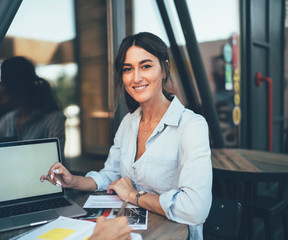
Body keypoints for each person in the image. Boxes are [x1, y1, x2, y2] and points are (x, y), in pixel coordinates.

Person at [0, 35, 131, 240]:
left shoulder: (51, 118)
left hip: (43, 191)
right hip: (8, 195)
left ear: (17, 86)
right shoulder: (9, 119)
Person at [41, 32, 212, 240]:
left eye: (146, 66)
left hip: (172, 235)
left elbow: (194, 209)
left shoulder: (191, 126)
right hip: (129, 231)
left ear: (164, 68)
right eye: (128, 69)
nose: (136, 77)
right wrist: (73, 181)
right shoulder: (129, 123)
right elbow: (111, 175)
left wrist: (133, 195)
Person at [0, 56, 66, 153]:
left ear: (18, 85)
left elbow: (56, 162)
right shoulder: (8, 119)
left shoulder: (53, 119)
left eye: (3, 82)